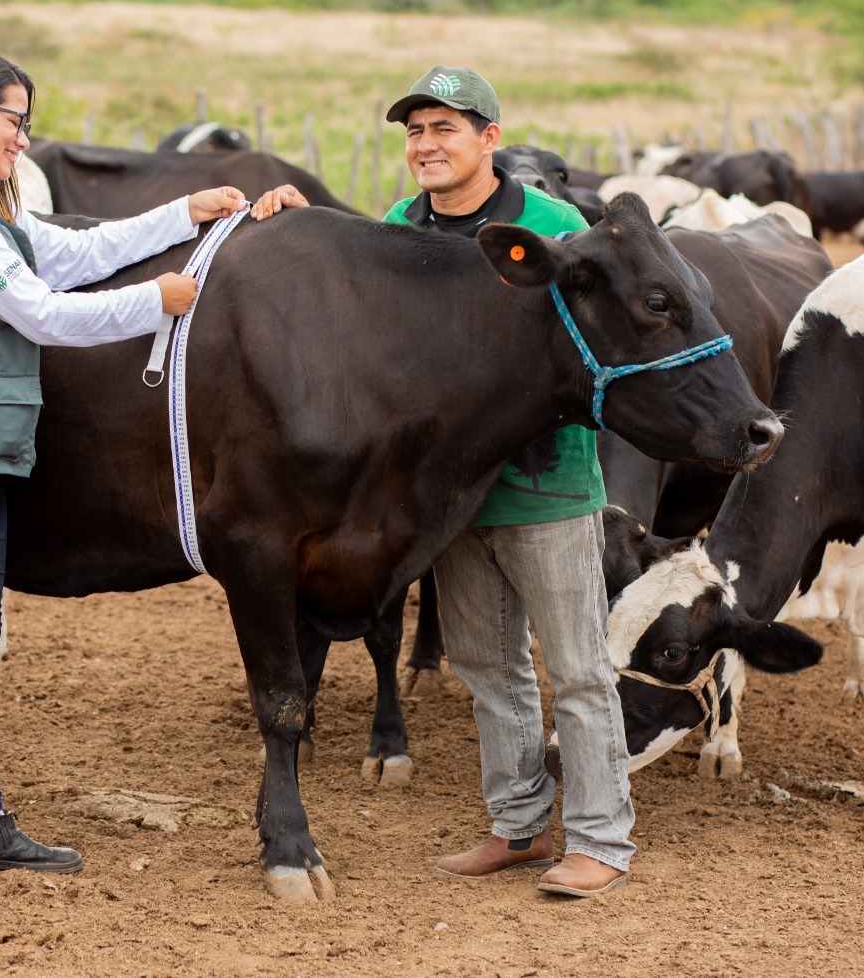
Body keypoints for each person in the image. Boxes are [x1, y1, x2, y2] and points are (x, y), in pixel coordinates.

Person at [0, 49, 249, 885]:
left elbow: (79, 254)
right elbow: (40, 314)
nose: (23, 141)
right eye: (14, 121)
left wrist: (185, 210)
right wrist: (159, 302)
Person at [251, 66, 634, 898]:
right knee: (485, 665)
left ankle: (602, 839)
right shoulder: (396, 228)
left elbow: (599, 352)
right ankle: (520, 826)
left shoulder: (556, 226)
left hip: (547, 488)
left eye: (444, 130)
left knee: (576, 668)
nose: (425, 146)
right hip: (450, 497)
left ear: (489, 140)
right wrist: (299, 221)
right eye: (415, 131)